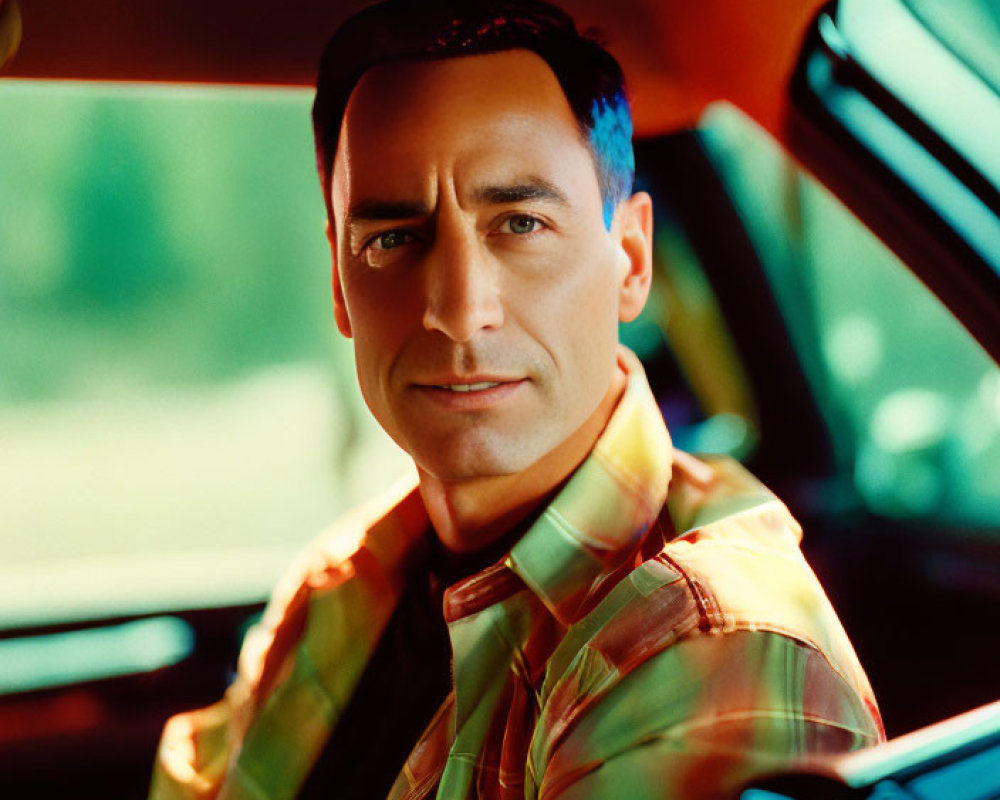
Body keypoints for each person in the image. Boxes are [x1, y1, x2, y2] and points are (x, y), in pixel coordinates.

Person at [149, 1, 883, 798]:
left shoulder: (707, 651)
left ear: (630, 259)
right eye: (393, 238)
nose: (460, 309)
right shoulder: (344, 585)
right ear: (339, 282)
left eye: (520, 223)